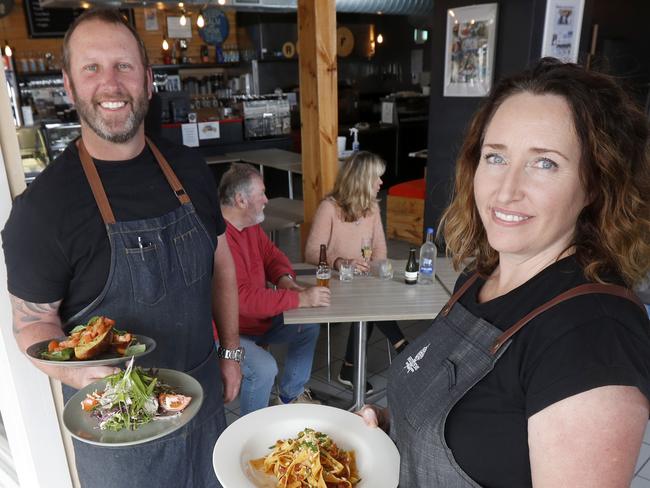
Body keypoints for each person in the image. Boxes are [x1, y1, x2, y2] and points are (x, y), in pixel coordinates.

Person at [358, 58, 650, 487]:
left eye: (544, 163)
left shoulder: (594, 337)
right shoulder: (479, 278)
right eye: (495, 157)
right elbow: (482, 433)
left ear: (594, 183)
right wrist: (391, 430)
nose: (507, 190)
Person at [2, 9, 241, 487]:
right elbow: (33, 324)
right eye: (92, 68)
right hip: (120, 428)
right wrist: (78, 377)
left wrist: (231, 354)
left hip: (204, 405)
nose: (110, 84)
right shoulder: (43, 209)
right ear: (69, 86)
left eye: (124, 66)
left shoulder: (189, 169)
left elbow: (221, 265)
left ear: (148, 80)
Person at [218, 163, 330, 415]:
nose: (267, 200)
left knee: (307, 327)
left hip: (256, 322)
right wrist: (298, 299)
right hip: (227, 333)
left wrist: (284, 279)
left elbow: (271, 255)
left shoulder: (249, 225)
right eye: (262, 194)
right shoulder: (219, 238)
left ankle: (289, 398)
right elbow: (242, 299)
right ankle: (252, 429)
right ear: (241, 200)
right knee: (265, 368)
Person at [305, 151, 408, 394]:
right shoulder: (329, 208)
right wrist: (340, 261)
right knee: (370, 304)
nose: (381, 183)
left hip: (363, 282)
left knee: (372, 300)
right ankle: (403, 347)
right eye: (377, 178)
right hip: (335, 282)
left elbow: (380, 248)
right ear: (362, 180)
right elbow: (311, 252)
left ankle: (351, 368)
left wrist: (376, 273)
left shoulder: (371, 208)